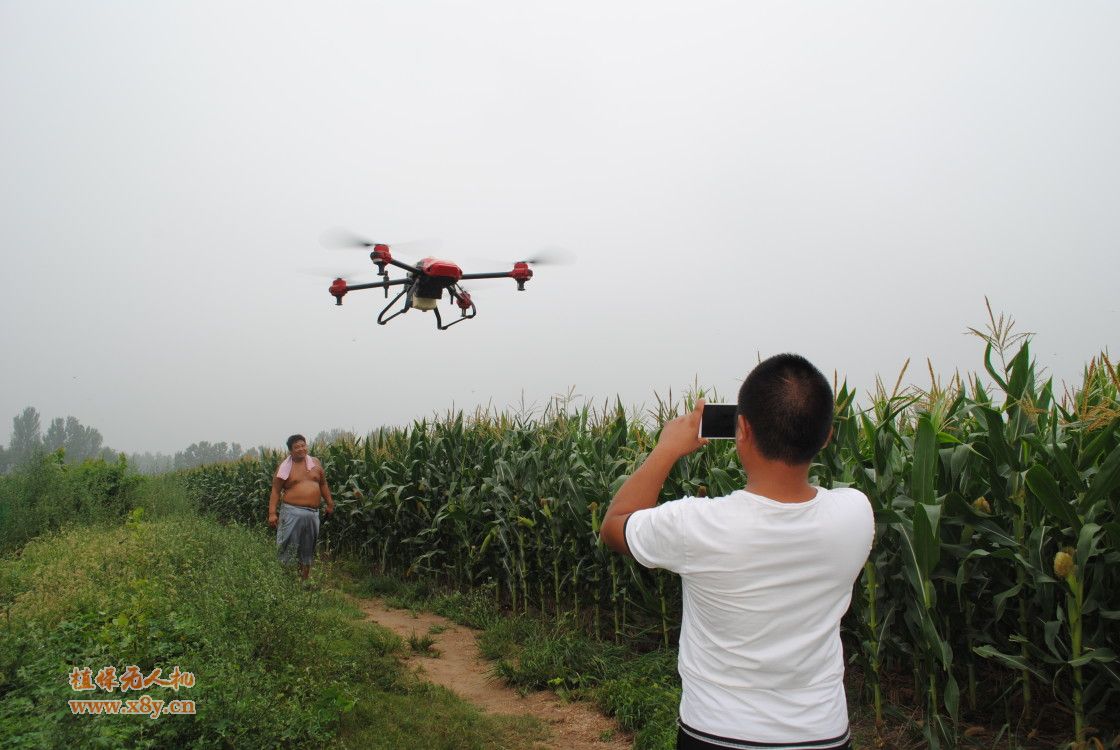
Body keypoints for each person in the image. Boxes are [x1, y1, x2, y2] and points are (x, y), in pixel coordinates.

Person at [600, 354, 873, 750]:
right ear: (827, 435)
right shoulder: (856, 513)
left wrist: (667, 449)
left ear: (741, 429)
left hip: (717, 733)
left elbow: (615, 525)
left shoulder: (696, 526)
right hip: (823, 734)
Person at [268, 434, 334, 582]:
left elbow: (323, 484)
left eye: (303, 445)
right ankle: (285, 581)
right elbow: (275, 491)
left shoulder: (315, 463)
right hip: (291, 512)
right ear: (290, 451)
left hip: (312, 514)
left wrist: (330, 503)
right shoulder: (285, 467)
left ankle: (303, 581)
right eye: (296, 447)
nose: (301, 449)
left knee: (307, 548)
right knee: (287, 546)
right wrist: (272, 513)